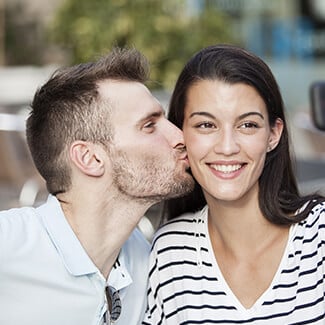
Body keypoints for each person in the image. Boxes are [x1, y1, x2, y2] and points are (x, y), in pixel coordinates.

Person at [0, 47, 194, 325]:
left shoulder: (149, 260)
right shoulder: (9, 244)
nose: (180, 136)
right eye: (149, 125)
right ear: (90, 158)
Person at [143, 44, 325, 324]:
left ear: (273, 135)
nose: (227, 147)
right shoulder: (170, 251)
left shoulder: (318, 236)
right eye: (206, 125)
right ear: (181, 135)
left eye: (247, 125)